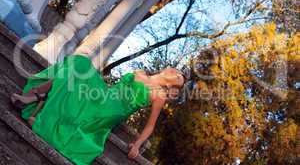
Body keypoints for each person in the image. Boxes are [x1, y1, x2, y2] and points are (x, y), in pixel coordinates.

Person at [10, 54, 185, 165]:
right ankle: (35, 97)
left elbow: (150, 126)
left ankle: (39, 107)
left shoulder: (159, 96)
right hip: (103, 94)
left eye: (178, 78)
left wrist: (137, 145)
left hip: (114, 109)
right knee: (81, 63)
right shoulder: (140, 72)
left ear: (171, 85)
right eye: (177, 71)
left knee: (83, 88)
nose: (176, 73)